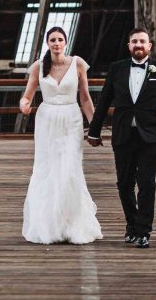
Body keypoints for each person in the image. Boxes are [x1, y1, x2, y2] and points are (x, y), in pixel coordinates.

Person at [86, 28, 156, 249]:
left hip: (149, 136)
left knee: (147, 184)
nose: (138, 45)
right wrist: (94, 131)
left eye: (142, 41)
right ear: (129, 46)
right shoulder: (116, 69)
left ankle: (144, 231)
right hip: (122, 134)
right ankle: (131, 225)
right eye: (134, 41)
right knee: (124, 183)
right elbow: (103, 102)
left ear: (149, 46)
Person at [19, 26, 103, 245]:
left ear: (66, 43)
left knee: (69, 168)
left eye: (60, 39)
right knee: (47, 169)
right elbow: (27, 96)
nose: (56, 43)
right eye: (52, 40)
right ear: (48, 43)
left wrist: (93, 126)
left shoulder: (77, 64)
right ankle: (48, 224)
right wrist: (24, 105)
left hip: (71, 118)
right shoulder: (38, 66)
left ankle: (72, 225)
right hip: (47, 120)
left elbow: (85, 98)